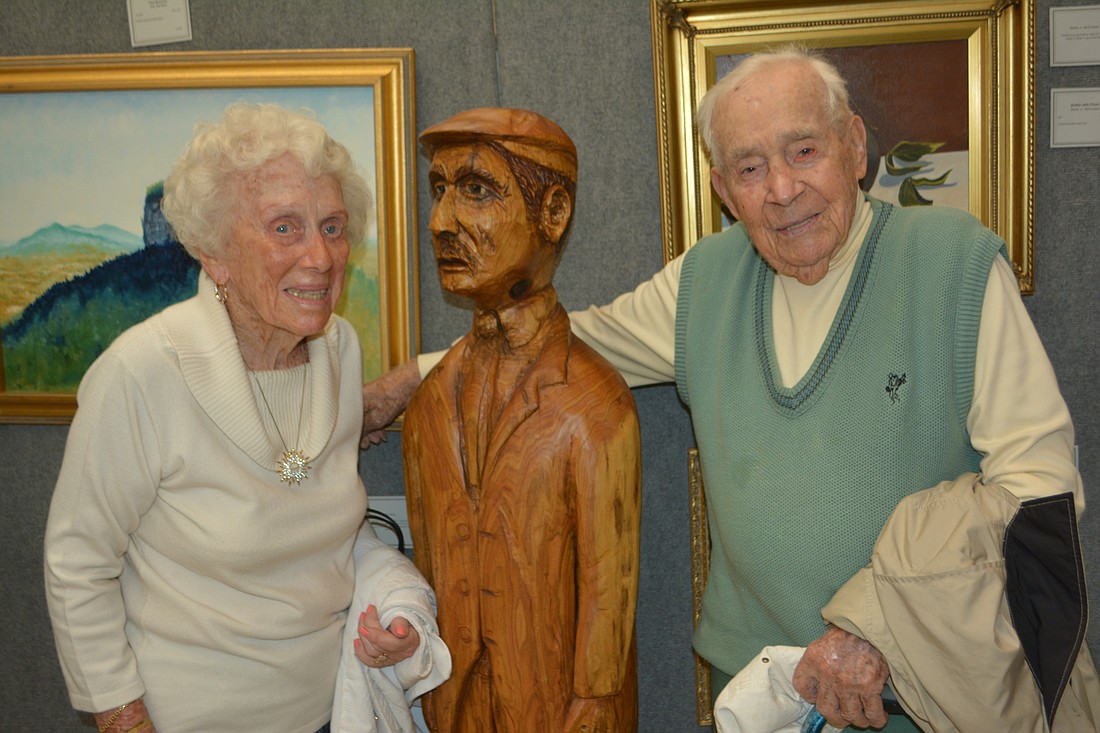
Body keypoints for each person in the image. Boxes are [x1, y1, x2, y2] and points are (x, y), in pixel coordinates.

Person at [363, 48, 1100, 731]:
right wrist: (411, 377)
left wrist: (879, 627)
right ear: (721, 189)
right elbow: (564, 337)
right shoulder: (705, 282)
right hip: (758, 699)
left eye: (803, 150)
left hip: (912, 693)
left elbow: (1040, 486)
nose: (781, 190)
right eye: (749, 168)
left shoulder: (954, 265)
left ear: (855, 146)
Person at [44, 102, 448, 733]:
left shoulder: (338, 350)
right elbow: (76, 564)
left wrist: (397, 615)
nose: (319, 256)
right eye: (284, 228)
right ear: (215, 253)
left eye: (333, 226)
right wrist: (124, 723)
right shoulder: (142, 373)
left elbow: (319, 521)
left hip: (331, 711)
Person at [401, 107, 641, 732]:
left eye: (476, 191)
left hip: (561, 711)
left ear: (553, 213)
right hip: (452, 707)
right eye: (439, 190)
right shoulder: (430, 401)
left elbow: (608, 595)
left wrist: (593, 707)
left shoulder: (593, 402)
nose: (441, 222)